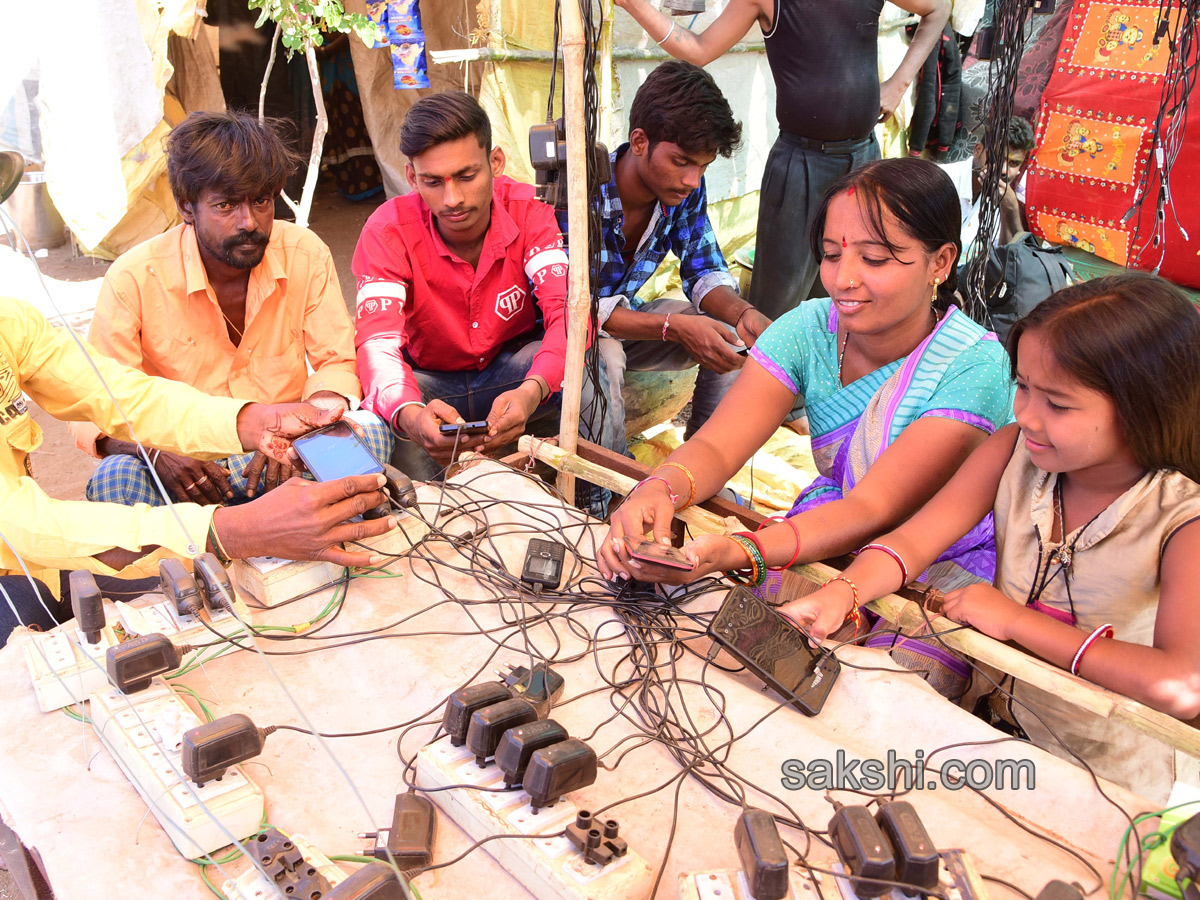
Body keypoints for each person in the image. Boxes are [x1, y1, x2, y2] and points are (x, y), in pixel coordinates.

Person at [777, 274, 1200, 802]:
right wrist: (844, 593)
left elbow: (1182, 685)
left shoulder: (1183, 521)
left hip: (1104, 779)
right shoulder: (1013, 452)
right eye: (1022, 387)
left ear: (1145, 406)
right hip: (994, 733)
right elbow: (912, 543)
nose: (1026, 414)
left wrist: (1014, 620)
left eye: (1059, 404)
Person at [598, 158, 1014, 588]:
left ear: (941, 262)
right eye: (832, 255)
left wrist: (744, 550)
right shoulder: (807, 329)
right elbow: (717, 449)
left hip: (948, 560)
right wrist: (659, 488)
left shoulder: (974, 367)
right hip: (826, 532)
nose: (842, 279)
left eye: (873, 259)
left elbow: (873, 508)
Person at [0, 296, 395, 645]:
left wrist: (255, 421)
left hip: (45, 557)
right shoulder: (140, 276)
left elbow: (122, 394)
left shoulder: (10, 321)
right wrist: (232, 531)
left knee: (165, 607)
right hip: (20, 560)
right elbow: (18, 526)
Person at [73, 111, 392, 507]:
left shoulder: (304, 253)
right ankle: (209, 557)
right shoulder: (134, 278)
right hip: (188, 472)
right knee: (115, 479)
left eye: (260, 201)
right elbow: (92, 406)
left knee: (369, 432)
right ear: (187, 207)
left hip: (287, 456)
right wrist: (156, 452)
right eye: (225, 206)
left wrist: (299, 428)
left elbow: (336, 362)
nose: (249, 222)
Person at [613, 0, 951, 321]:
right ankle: (770, 376)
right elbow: (698, 49)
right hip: (800, 162)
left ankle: (836, 376)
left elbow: (939, 7)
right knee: (778, 299)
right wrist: (633, 4)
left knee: (853, 286)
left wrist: (899, 82)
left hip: (862, 158)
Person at [353, 92, 608, 485]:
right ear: (410, 178)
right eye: (432, 182)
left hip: (512, 372)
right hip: (428, 385)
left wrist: (532, 391)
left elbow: (568, 314)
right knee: (379, 409)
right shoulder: (387, 230)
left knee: (590, 365)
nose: (452, 199)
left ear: (496, 162)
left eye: (467, 176)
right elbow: (377, 345)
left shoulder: (530, 212)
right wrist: (409, 413)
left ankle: (599, 501)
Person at [559, 60, 771, 445]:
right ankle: (610, 492)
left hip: (628, 323)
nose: (693, 179)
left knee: (733, 336)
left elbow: (704, 269)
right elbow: (576, 309)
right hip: (565, 334)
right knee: (602, 357)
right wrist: (673, 327)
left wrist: (745, 315)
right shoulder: (577, 192)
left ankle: (704, 462)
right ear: (640, 142)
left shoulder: (683, 192)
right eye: (682, 162)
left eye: (703, 166)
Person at [962, 115, 1036, 252]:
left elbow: (1008, 261)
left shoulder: (1003, 199)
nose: (1003, 170)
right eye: (997, 157)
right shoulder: (941, 182)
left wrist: (1011, 209)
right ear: (977, 151)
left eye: (1014, 163)